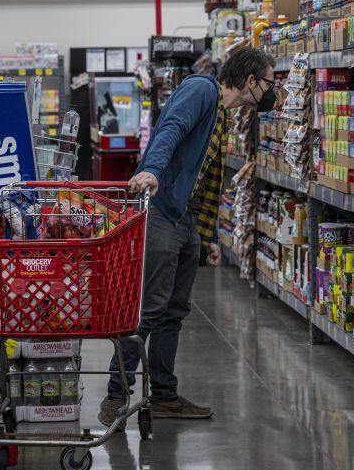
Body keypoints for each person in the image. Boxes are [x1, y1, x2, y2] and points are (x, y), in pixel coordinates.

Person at [99, 46, 276, 427]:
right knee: (149, 308)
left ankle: (164, 395)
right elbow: (171, 128)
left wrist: (209, 235)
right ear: (250, 81)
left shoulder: (223, 116)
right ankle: (116, 393)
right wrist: (153, 172)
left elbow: (210, 180)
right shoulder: (201, 90)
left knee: (173, 313)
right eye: (268, 83)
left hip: (188, 221)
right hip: (163, 211)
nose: (270, 91)